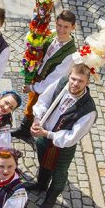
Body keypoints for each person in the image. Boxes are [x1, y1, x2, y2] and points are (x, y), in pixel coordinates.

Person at [29, 64, 97, 208]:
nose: (74, 83)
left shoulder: (88, 110)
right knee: (43, 163)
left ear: (87, 82)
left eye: (80, 81)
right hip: (43, 135)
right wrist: (36, 119)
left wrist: (47, 134)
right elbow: (43, 101)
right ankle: (41, 185)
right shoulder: (61, 83)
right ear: (69, 76)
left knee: (59, 174)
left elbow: (71, 137)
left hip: (62, 147)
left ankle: (50, 199)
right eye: (73, 79)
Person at [13, 10, 77, 140]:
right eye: (59, 25)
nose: (61, 29)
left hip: (45, 84)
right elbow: (30, 42)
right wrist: (34, 35)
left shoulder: (70, 54)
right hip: (37, 76)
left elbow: (54, 79)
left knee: (35, 106)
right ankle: (25, 128)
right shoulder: (51, 34)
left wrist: (33, 87)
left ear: (73, 27)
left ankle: (26, 130)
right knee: (30, 103)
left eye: (66, 27)